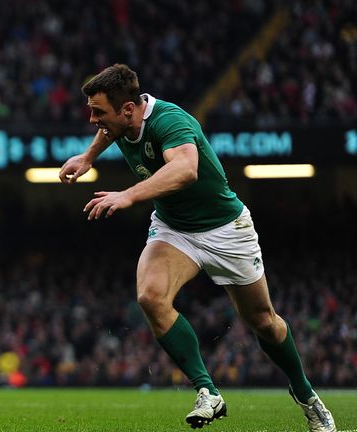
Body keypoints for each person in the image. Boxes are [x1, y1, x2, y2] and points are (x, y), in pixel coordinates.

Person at [59, 64, 336, 431]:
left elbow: (186, 170)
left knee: (263, 323)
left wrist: (128, 195)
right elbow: (112, 133)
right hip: (175, 230)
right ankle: (207, 391)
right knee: (150, 296)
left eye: (99, 112)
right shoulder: (124, 120)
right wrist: (88, 157)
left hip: (225, 228)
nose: (93, 119)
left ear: (128, 109)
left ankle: (306, 396)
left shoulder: (171, 122)